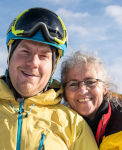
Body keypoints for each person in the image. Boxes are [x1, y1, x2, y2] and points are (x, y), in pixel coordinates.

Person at [0, 8, 98, 150]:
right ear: (10, 56)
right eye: (25, 51)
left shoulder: (74, 124)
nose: (33, 62)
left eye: (44, 56)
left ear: (53, 66)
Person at [61, 50, 122, 150]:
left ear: (104, 88)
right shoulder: (54, 127)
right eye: (73, 83)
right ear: (64, 95)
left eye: (90, 82)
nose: (82, 90)